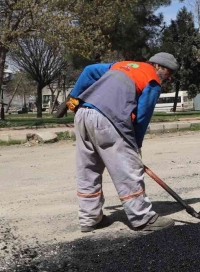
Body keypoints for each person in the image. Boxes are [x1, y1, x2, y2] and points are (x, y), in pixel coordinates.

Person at [59, 53, 179, 232]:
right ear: (158, 66)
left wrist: (72, 98)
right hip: (107, 118)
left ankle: (90, 219)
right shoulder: (152, 80)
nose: (169, 78)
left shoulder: (122, 65)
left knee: (88, 168)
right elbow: (142, 117)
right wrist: (135, 146)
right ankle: (143, 217)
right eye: (169, 73)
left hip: (83, 114)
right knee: (128, 168)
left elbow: (89, 70)